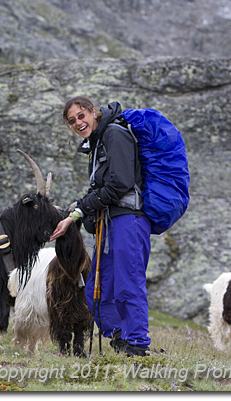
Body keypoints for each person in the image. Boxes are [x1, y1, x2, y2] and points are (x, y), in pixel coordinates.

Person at [49, 96, 152, 357]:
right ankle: (119, 336)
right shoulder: (97, 143)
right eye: (72, 120)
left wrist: (81, 207)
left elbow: (119, 184)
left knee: (128, 282)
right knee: (97, 285)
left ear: (94, 112)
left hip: (128, 220)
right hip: (109, 224)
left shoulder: (115, 135)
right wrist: (80, 210)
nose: (78, 122)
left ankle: (137, 344)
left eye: (81, 115)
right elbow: (102, 187)